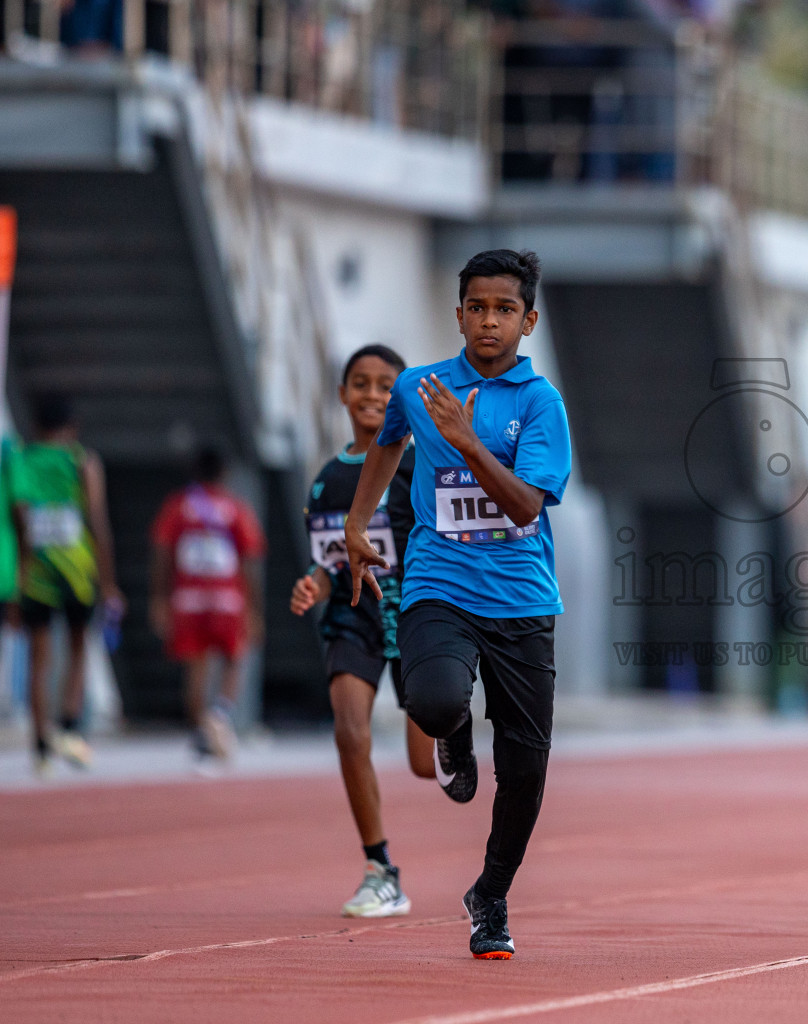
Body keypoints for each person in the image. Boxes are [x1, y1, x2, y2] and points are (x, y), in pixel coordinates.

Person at [344, 249, 571, 960]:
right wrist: (358, 523)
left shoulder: (540, 404)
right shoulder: (420, 386)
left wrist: (469, 441)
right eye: (477, 307)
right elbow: (386, 447)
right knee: (434, 698)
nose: (489, 322)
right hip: (440, 582)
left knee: (526, 771)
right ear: (458, 313)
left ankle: (491, 895)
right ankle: (450, 733)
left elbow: (524, 503)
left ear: (528, 320)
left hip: (523, 599)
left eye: (505, 310)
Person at [291, 344, 436, 917]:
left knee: (426, 766)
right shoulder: (327, 480)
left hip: (417, 616)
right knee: (350, 732)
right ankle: (380, 868)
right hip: (353, 618)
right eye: (362, 383)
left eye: (385, 385)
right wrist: (313, 585)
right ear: (343, 394)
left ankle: (456, 733)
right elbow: (327, 562)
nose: (373, 395)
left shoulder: (417, 464)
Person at [11, 394, 122, 775]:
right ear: (71, 428)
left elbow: (18, 516)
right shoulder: (82, 461)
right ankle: (71, 729)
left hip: (36, 573)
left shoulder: (22, 460)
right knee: (78, 650)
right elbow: (97, 520)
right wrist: (108, 582)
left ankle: (40, 748)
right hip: (78, 571)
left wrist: (19, 570)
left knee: (38, 661)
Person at [149, 446, 266, 765]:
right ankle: (219, 714)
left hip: (188, 599)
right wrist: (253, 609)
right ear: (224, 474)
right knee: (233, 658)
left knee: (196, 666)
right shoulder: (235, 509)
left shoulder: (178, 507)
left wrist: (159, 599)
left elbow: (161, 553)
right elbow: (250, 560)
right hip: (227, 599)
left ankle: (201, 730)